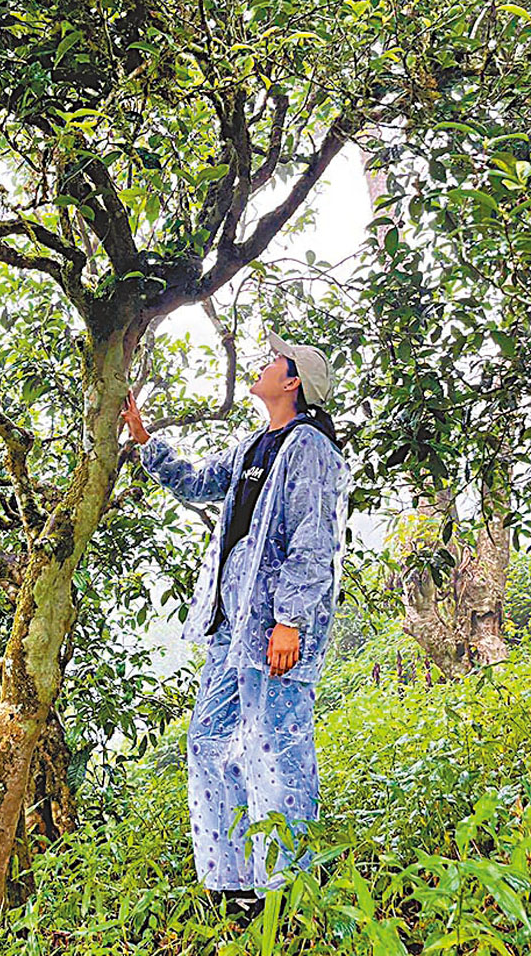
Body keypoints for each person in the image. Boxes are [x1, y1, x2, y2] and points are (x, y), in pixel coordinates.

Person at [120, 330, 351, 919]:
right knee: (209, 741)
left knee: (276, 748)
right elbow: (199, 481)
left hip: (276, 628)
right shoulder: (255, 446)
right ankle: (233, 885)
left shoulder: (311, 449)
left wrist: (291, 621)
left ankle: (288, 895)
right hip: (233, 625)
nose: (264, 363)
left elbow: (313, 538)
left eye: (276, 359)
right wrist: (147, 442)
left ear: (292, 381)